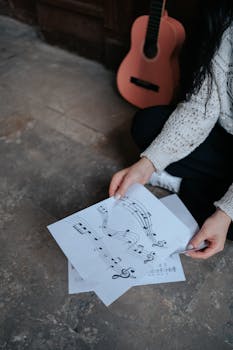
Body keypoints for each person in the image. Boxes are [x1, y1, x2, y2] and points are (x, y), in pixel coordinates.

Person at [109, 0, 233, 259]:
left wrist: (226, 213)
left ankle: (189, 186)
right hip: (225, 140)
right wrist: (148, 164)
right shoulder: (226, 22)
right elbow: (201, 108)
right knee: (147, 125)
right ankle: (198, 189)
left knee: (224, 223)